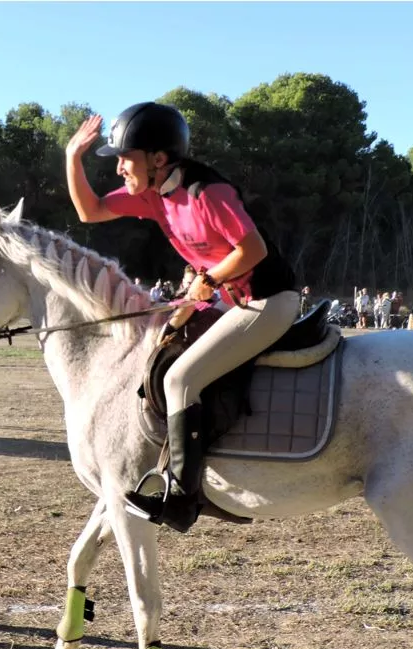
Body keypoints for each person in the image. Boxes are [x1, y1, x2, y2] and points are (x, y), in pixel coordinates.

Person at [64, 103, 297, 532]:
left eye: (124, 157)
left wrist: (207, 279)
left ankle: (182, 496)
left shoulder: (207, 193)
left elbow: (254, 251)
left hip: (265, 301)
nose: (118, 168)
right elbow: (90, 211)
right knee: (159, 353)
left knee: (179, 380)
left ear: (158, 158)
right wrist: (71, 158)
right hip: (224, 300)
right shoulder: (153, 196)